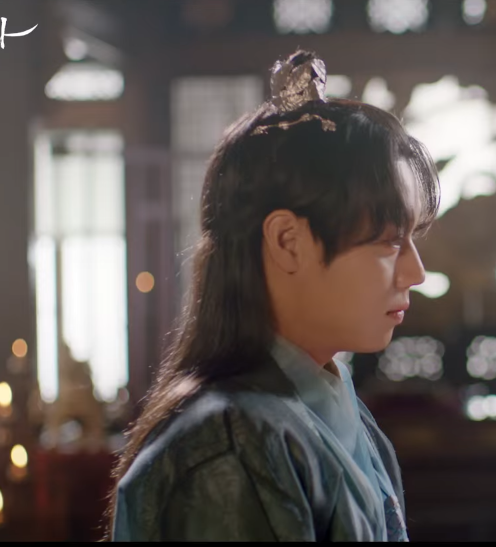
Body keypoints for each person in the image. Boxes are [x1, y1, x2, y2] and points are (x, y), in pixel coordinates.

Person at [105, 50, 439, 541]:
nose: (416, 272)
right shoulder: (227, 448)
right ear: (288, 241)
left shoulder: (327, 408)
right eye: (389, 241)